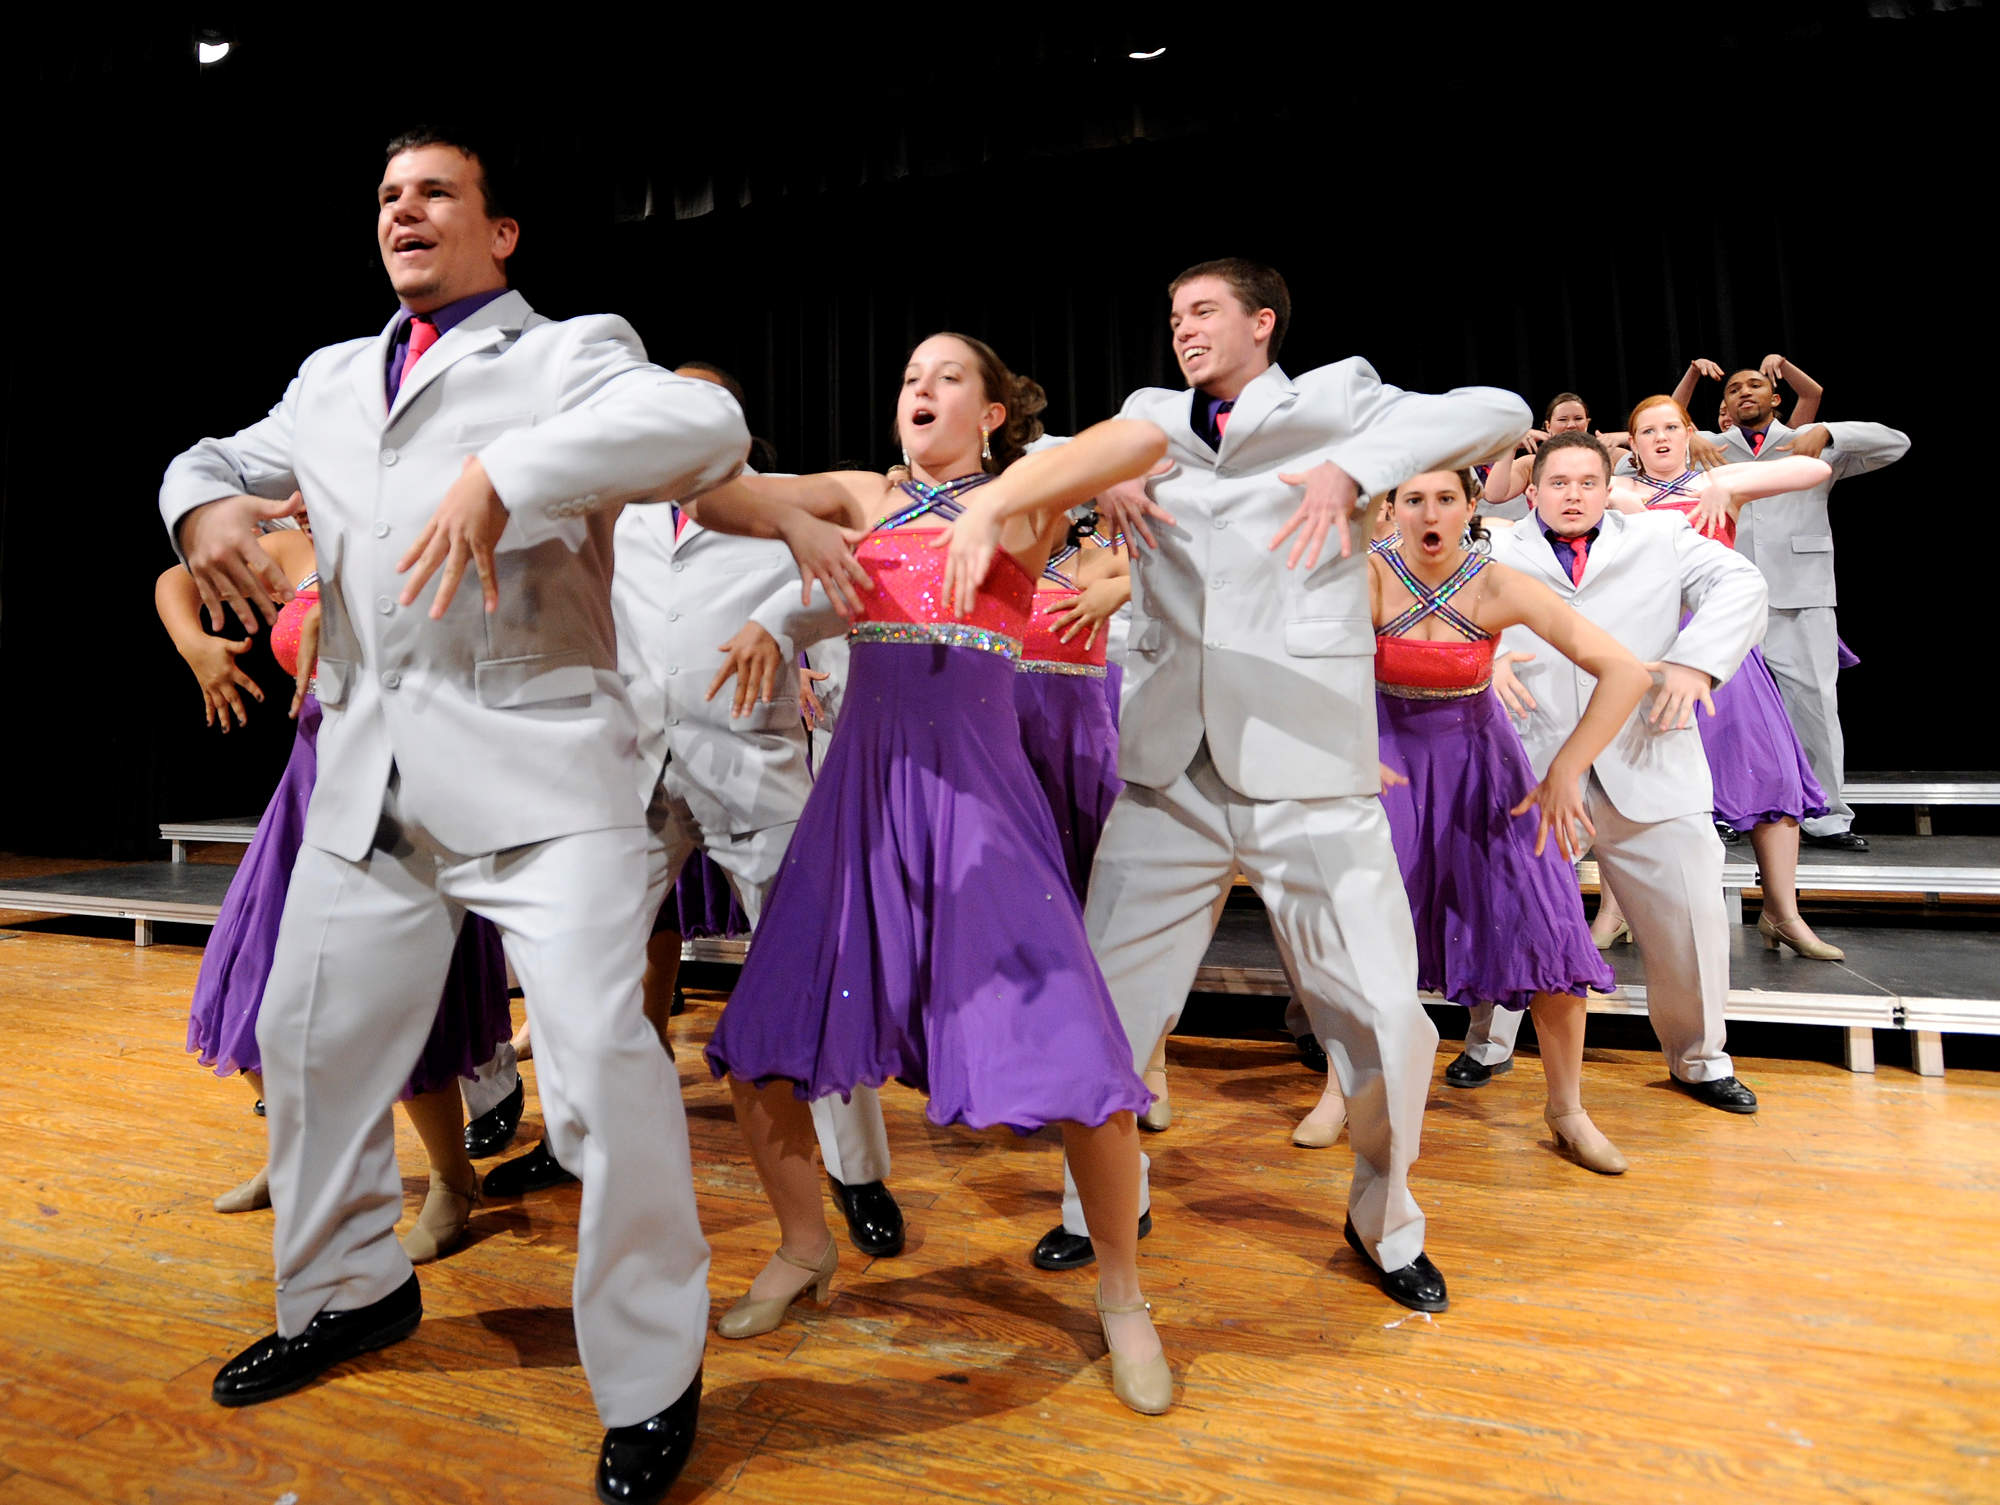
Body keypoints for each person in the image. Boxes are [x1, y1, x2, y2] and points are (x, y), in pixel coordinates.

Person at [158, 128, 750, 1503]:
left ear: (502, 233)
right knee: (308, 1050)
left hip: (546, 773)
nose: (402, 211)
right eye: (385, 196)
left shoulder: (567, 353)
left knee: (604, 1073)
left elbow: (704, 427)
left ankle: (653, 1374)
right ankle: (349, 1290)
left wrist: (511, 472)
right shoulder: (328, 379)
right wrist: (207, 527)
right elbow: (206, 458)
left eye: (434, 193)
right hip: (371, 775)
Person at [1036, 258, 1532, 1314]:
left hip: (1306, 767)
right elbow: (1056, 459)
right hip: (1169, 766)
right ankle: (1098, 1206)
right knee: (1106, 1010)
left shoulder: (1341, 397)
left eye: (1203, 310)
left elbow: (1500, 408)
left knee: (1380, 1017)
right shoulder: (1145, 417)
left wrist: (1351, 470)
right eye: (1171, 314)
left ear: (1261, 323)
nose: (1183, 328)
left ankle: (1384, 1219)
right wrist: (1099, 471)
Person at [693, 332, 1177, 1416]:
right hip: (857, 797)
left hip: (979, 805)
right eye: (909, 374)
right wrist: (791, 520)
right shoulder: (863, 491)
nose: (918, 387)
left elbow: (1142, 432)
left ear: (993, 411)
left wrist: (1032, 495)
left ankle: (1121, 1291)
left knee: (1079, 1060)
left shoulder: (1020, 500)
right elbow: (721, 495)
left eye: (945, 376)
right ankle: (805, 1243)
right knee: (761, 1045)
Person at [496, 359, 903, 1257]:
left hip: (748, 758)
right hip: (632, 768)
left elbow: (857, 578)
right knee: (574, 957)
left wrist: (782, 620)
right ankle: (570, 1142)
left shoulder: (771, 510)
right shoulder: (621, 512)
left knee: (816, 963)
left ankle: (858, 1169)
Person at [157, 528, 512, 1256]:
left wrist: (351, 612)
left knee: (399, 997)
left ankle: (452, 1179)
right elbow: (178, 579)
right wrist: (196, 646)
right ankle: (299, 1158)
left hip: (402, 789)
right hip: (311, 788)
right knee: (249, 984)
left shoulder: (424, 534)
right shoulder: (293, 546)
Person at [1292, 469, 1650, 1173]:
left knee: (1548, 933)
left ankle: (1567, 1109)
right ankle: (1342, 1088)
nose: (1430, 513)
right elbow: (1295, 670)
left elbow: (1625, 671)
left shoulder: (1497, 585)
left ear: (1471, 507)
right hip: (1390, 765)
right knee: (1358, 939)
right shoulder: (1363, 578)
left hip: (1486, 772)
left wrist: (1566, 769)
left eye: (1446, 498)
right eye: (1414, 499)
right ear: (1391, 509)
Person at [1454, 433, 1769, 1118]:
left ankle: (1701, 1058)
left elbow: (1742, 582)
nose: (1572, 495)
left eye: (1586, 482)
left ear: (1608, 487)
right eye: (1557, 483)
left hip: (1649, 754)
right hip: (1534, 760)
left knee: (1689, 918)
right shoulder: (1495, 550)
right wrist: (1489, 658)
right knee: (1513, 909)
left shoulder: (1658, 536)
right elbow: (1447, 614)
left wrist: (1696, 661)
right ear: (1531, 493)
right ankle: (1488, 1043)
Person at [1588, 395, 1843, 959]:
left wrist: (1728, 487)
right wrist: (1619, 499)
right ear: (1632, 441)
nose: (1659, 438)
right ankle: (1613, 909)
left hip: (1721, 649)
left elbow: (1817, 467)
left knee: (1770, 777)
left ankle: (1782, 912)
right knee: (1621, 781)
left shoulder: (1715, 484)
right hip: (1647, 651)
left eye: (1670, 428)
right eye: (1646, 430)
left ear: (1689, 433)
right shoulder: (1615, 492)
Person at [1704, 366, 1909, 850]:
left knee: (1815, 706)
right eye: (1732, 389)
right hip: (1730, 600)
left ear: (1775, 397)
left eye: (1753, 385)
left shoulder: (1807, 441)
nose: (1742, 393)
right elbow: (1633, 463)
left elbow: (1894, 443)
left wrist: (1830, 430)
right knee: (1723, 713)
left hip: (1802, 594)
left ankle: (1829, 816)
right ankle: (1728, 810)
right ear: (1727, 406)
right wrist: (1685, 442)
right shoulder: (1712, 449)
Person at [1478, 392, 1631, 517]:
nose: (1571, 425)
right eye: (1563, 419)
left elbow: (1653, 476)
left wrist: (1629, 438)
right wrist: (1510, 447)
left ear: (1587, 423)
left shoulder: (1611, 456)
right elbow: (1494, 495)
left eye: (1578, 419)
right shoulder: (1532, 463)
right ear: (1548, 426)